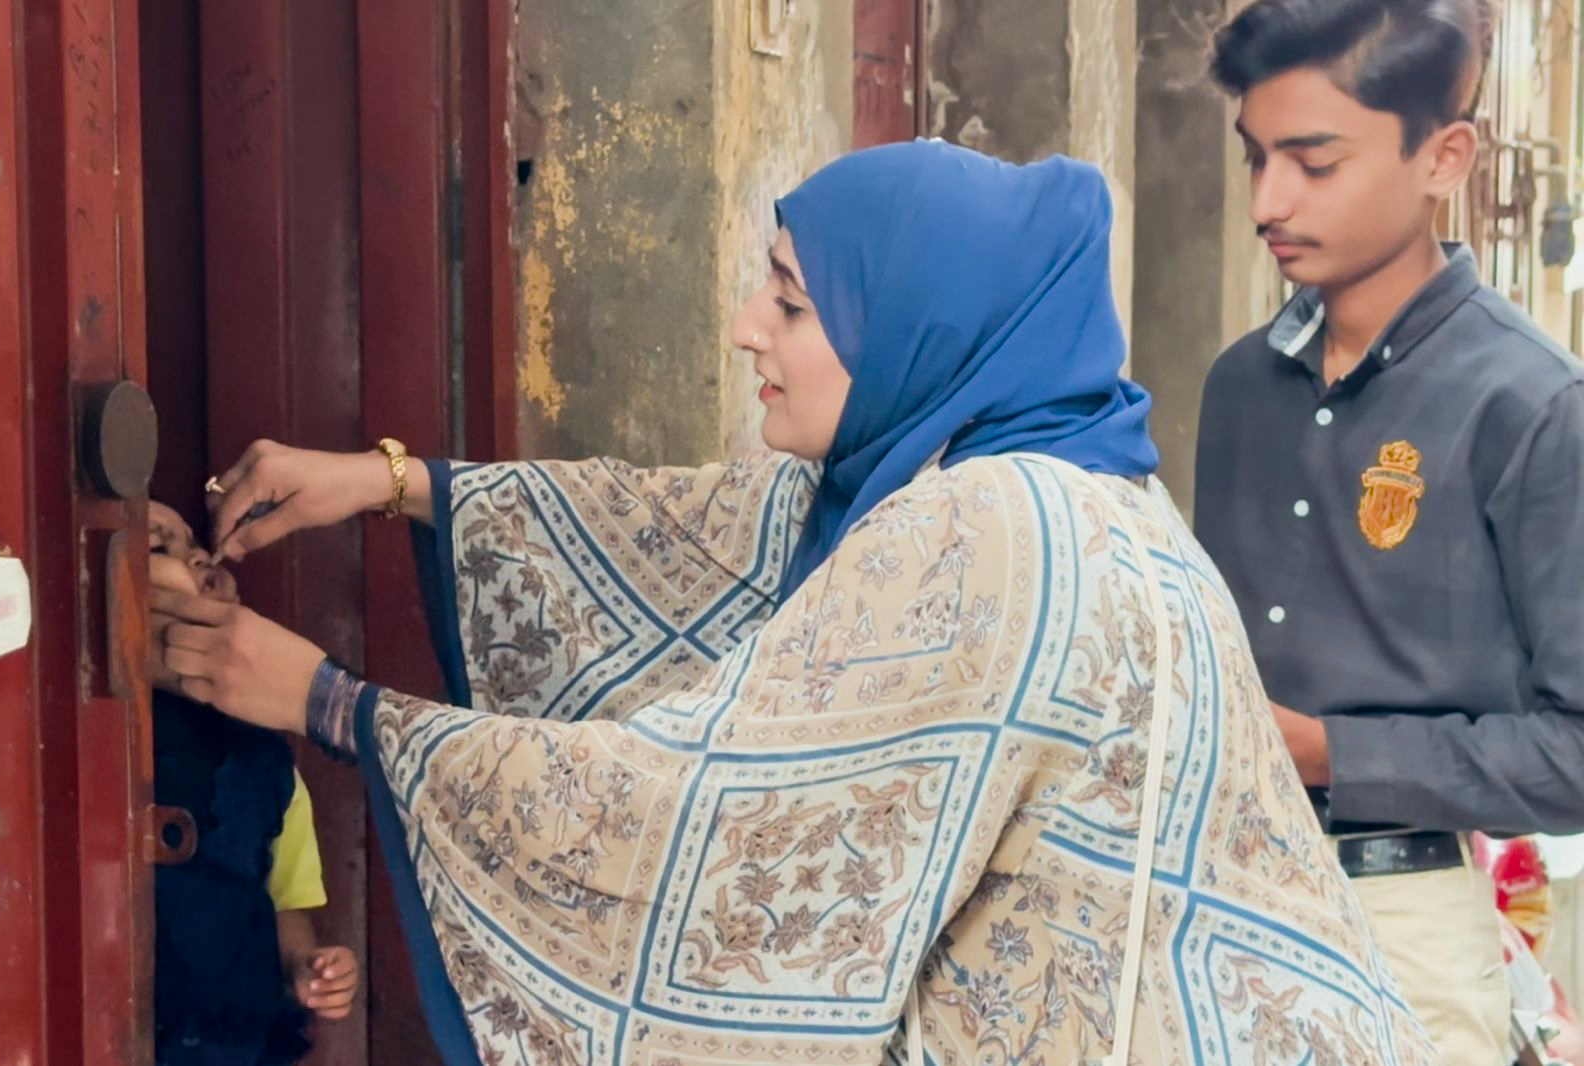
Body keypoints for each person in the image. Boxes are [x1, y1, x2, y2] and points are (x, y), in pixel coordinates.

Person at [156, 140, 1431, 1064]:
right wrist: (391, 484)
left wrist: (331, 704)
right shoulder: (1048, 474)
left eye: (792, 300)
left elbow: (693, 813)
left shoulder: (992, 529)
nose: (746, 328)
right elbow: (694, 530)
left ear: (915, 330)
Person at [1196, 0, 1584, 1060]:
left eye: (1314, 163)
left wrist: (1328, 754)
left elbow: (1576, 749)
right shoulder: (1238, 385)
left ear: (1444, 156)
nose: (1269, 200)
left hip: (1398, 919)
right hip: (1208, 901)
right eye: (1256, 158)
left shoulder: (1535, 407)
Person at [148, 502, 360, 1064]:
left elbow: (287, 904)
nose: (199, 554)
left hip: (226, 1039)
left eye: (193, 542)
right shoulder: (72, 720)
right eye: (157, 546)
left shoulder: (266, 759)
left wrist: (307, 968)